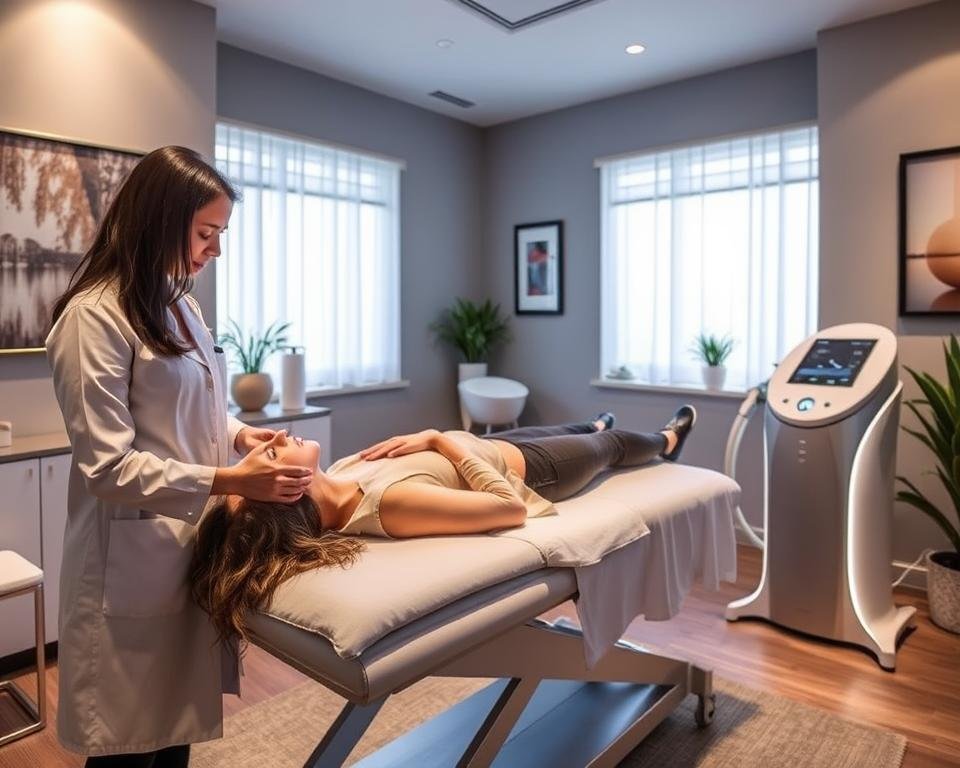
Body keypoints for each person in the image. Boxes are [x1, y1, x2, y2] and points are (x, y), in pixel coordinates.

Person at [45, 146, 315, 767]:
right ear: (158, 221)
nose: (215, 249)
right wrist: (227, 476)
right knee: (127, 747)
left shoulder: (179, 304)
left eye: (219, 233)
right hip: (127, 560)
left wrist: (241, 435)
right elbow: (107, 466)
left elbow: (197, 404)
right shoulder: (95, 318)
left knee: (175, 741)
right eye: (205, 232)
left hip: (183, 550)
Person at [190, 407, 697, 645]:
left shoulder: (340, 473)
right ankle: (667, 440)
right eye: (273, 454)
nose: (276, 435)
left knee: (583, 428)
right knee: (609, 450)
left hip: (490, 444)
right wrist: (439, 439)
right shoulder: (391, 506)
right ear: (289, 490)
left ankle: (594, 423)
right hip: (532, 467)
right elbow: (508, 508)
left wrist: (442, 442)